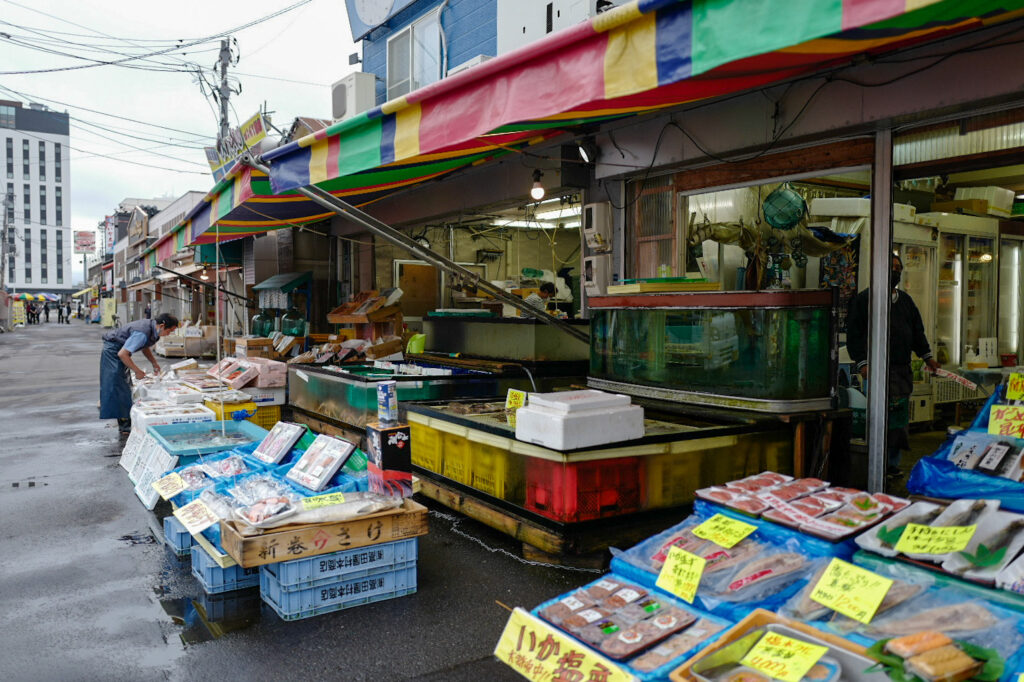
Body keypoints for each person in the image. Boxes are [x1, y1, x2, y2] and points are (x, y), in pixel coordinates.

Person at [847, 254, 940, 478]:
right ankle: (875, 464)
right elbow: (855, 335)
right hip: (877, 370)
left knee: (898, 422)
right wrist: (863, 363)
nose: (895, 272)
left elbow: (918, 331)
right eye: (892, 267)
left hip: (901, 371)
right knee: (879, 419)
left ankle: (891, 464)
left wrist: (928, 357)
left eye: (899, 268)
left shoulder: (906, 301)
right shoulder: (864, 300)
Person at [100, 313, 178, 434]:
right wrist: (137, 371)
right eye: (170, 331)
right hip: (113, 352)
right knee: (118, 387)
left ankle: (125, 421)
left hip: (120, 351)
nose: (169, 334)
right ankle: (125, 426)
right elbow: (122, 354)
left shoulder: (152, 330)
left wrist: (154, 363)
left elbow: (144, 346)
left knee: (124, 385)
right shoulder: (142, 332)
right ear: (162, 326)